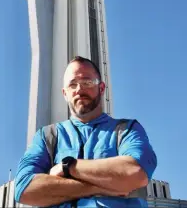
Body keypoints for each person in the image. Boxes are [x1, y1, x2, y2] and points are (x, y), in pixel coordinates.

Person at [14, 56, 157, 207]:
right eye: (72, 84)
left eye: (87, 82)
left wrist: (68, 167)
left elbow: (134, 172)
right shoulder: (48, 136)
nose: (79, 89)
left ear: (101, 88)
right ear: (65, 93)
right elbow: (24, 188)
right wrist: (99, 187)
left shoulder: (126, 130)